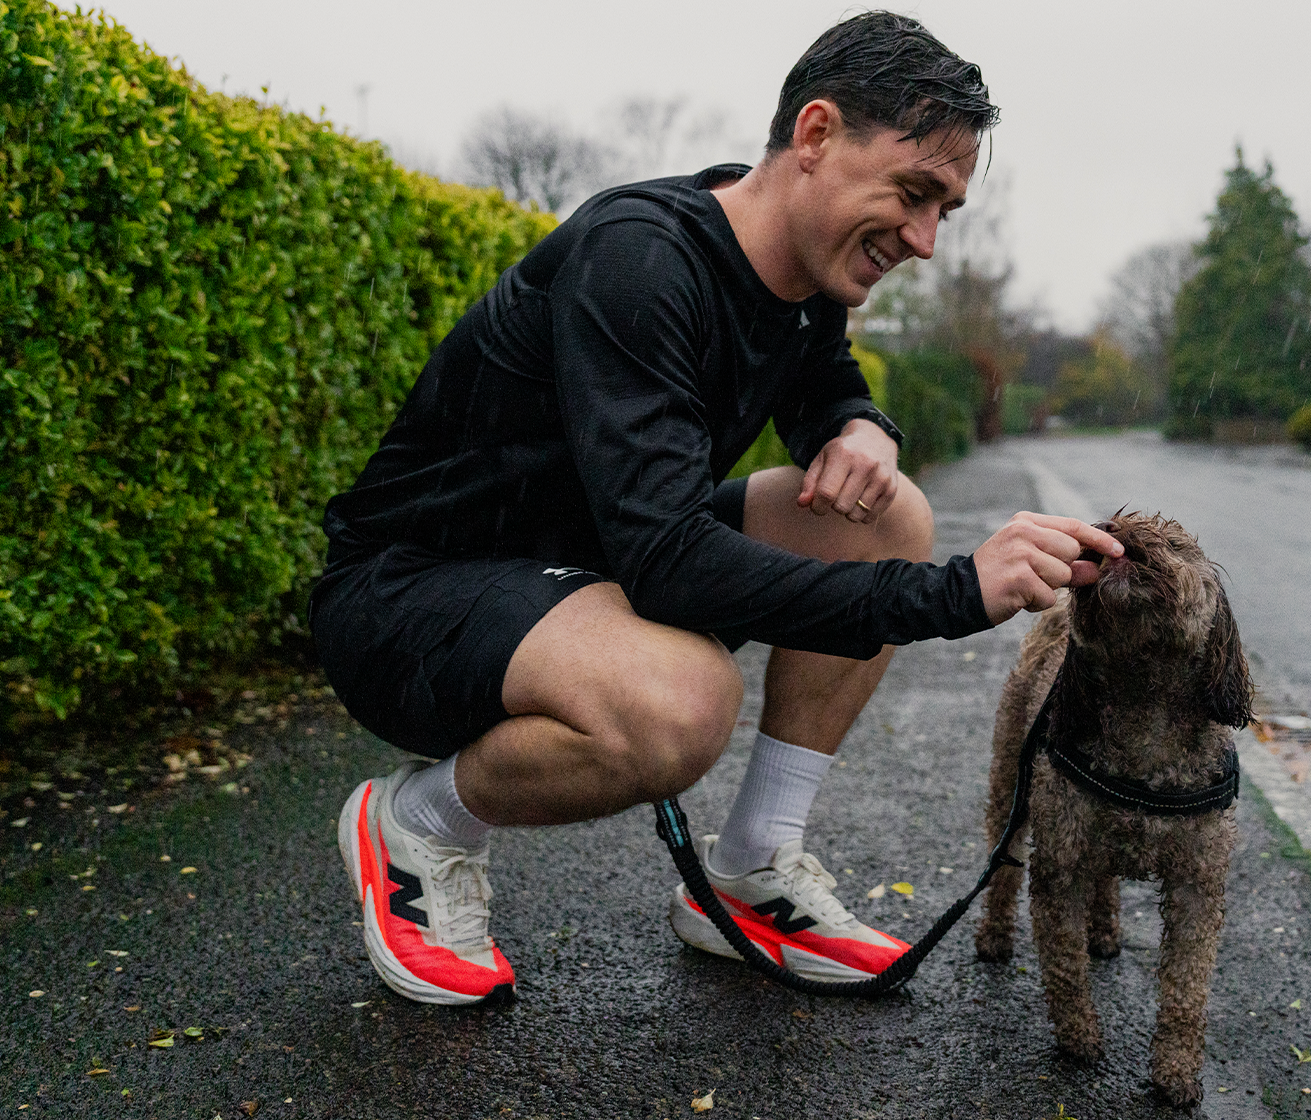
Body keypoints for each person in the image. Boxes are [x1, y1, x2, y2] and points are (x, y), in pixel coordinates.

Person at [314, 11, 1122, 1005]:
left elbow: (817, 373)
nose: (922, 240)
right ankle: (418, 823)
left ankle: (749, 871)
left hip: (582, 572)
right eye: (914, 194)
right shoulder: (640, 260)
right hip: (408, 596)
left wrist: (858, 421)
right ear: (815, 135)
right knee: (680, 704)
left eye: (944, 211)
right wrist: (953, 593)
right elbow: (667, 563)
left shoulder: (801, 271)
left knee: (883, 516)